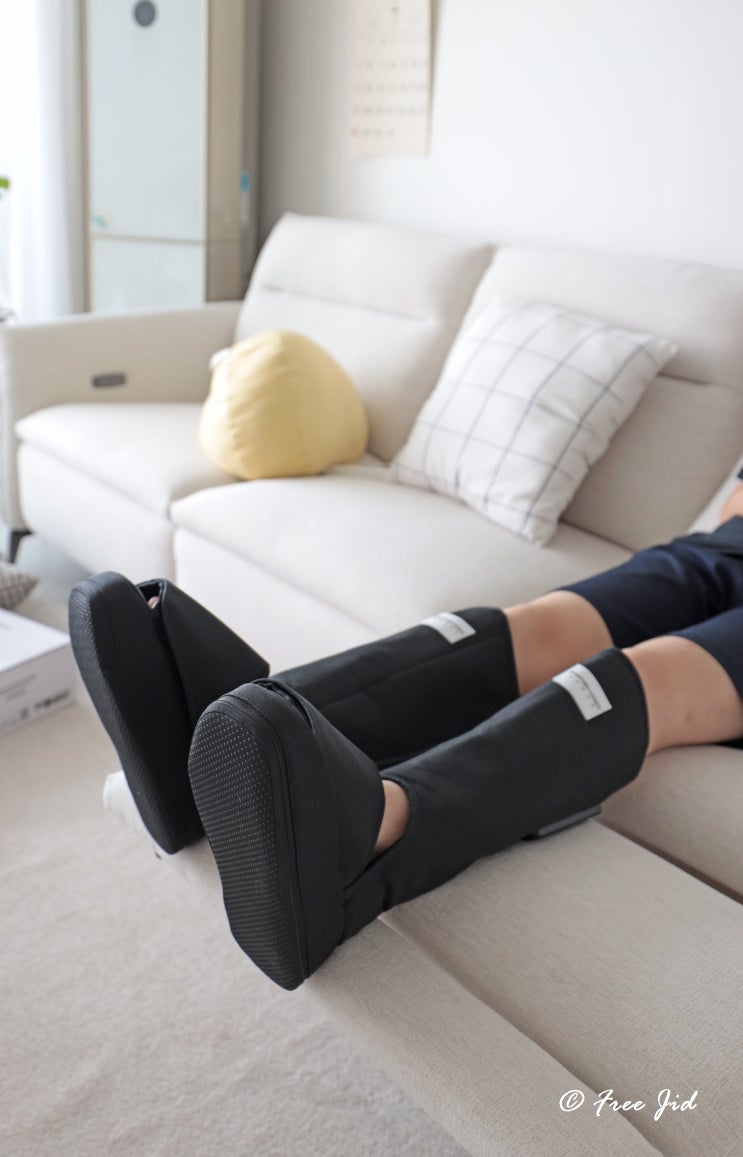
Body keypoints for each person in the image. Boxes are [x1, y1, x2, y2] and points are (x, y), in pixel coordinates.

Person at [69, 480, 743, 991]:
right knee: (533, 628)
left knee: (642, 675)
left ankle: (372, 839)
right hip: (724, 549)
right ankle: (202, 750)